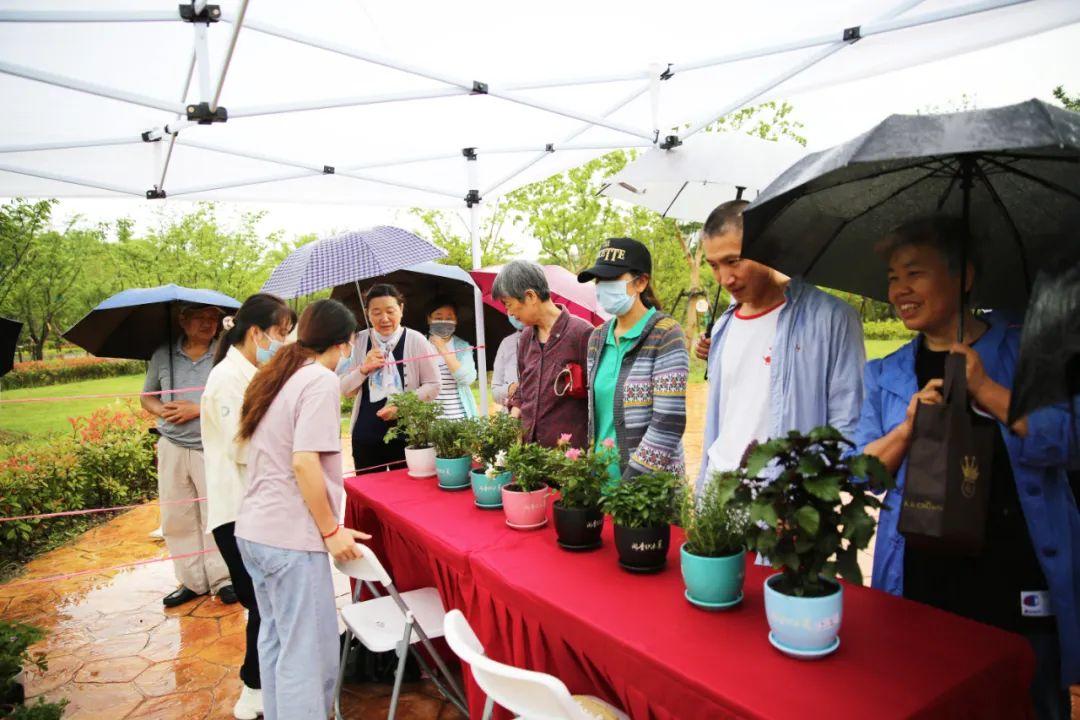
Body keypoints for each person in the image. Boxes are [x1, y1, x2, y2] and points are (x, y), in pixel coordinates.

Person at [855, 216, 1080, 719]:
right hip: (922, 579)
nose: (899, 290)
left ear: (966, 277)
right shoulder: (886, 372)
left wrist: (990, 392)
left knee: (1027, 699)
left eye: (915, 273)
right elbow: (858, 474)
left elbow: (1070, 441)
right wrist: (906, 430)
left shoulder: (1028, 350)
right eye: (893, 277)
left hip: (1017, 580)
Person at [234, 299, 371, 720]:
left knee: (276, 643)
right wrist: (331, 531)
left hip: (256, 534)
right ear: (345, 344)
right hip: (289, 539)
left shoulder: (279, 376)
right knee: (307, 656)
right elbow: (304, 461)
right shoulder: (319, 380)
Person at [695, 200, 866, 490]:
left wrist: (806, 500)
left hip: (785, 504)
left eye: (733, 261)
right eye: (714, 266)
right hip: (719, 493)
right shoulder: (724, 325)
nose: (725, 279)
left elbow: (847, 422)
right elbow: (723, 418)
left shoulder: (832, 319)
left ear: (768, 247)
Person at [200, 293, 296, 720]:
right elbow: (242, 445)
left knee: (267, 602)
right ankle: (253, 689)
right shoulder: (226, 379)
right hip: (237, 511)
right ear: (256, 333)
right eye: (280, 334)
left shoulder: (250, 373)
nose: (284, 342)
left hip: (256, 507)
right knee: (261, 602)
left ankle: (266, 683)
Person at [141, 302, 233, 608]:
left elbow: (237, 398)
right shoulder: (162, 354)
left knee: (215, 514)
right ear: (183, 320)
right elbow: (147, 396)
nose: (209, 323)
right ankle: (192, 581)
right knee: (177, 516)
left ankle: (223, 580)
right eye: (201, 317)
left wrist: (198, 409)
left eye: (214, 318)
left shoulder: (225, 353)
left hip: (212, 446)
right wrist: (161, 411)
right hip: (172, 445)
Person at [578, 238, 688, 480]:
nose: (602, 287)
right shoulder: (597, 338)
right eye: (600, 280)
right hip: (602, 486)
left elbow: (668, 422)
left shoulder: (666, 335)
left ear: (641, 282)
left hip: (647, 492)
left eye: (612, 279)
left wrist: (631, 483)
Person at [340, 284, 440, 473]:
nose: (384, 319)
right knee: (369, 493)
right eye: (376, 312)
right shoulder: (359, 341)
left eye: (390, 311)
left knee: (405, 494)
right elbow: (345, 390)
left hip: (407, 434)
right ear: (367, 313)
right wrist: (363, 369)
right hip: (366, 434)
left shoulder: (416, 340)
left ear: (401, 310)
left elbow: (433, 385)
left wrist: (402, 405)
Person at [494, 260, 593, 447]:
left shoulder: (582, 334)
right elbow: (524, 386)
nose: (509, 313)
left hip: (567, 457)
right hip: (530, 452)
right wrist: (512, 420)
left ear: (530, 296)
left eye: (508, 304)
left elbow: (597, 397)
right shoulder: (524, 339)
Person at [426, 297, 479, 419]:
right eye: (438, 318)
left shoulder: (463, 347)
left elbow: (467, 379)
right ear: (429, 319)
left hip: (460, 419)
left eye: (449, 318)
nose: (444, 321)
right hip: (428, 422)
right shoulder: (419, 345)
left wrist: (443, 349)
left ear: (456, 321)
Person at [491, 325, 522, 411]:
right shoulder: (507, 343)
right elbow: (495, 392)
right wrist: (508, 389)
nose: (513, 314)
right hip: (511, 418)